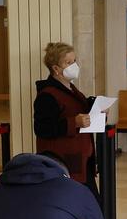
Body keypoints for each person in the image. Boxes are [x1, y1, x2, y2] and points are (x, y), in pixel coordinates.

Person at [34, 42, 99, 202]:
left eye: (74, 61)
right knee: (81, 204)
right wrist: (73, 123)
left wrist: (96, 107)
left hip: (82, 159)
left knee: (91, 205)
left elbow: (77, 109)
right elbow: (42, 128)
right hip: (66, 160)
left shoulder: (71, 89)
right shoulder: (47, 95)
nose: (74, 66)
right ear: (56, 69)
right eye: (68, 63)